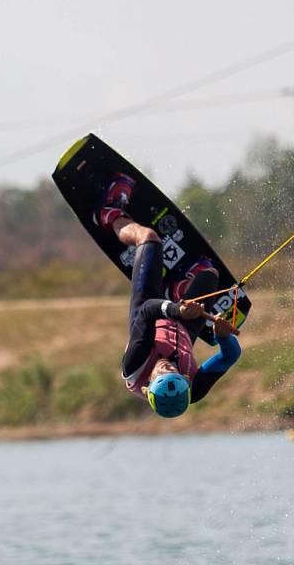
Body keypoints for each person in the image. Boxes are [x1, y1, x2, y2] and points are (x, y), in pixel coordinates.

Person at [94, 173, 242, 418]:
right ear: (184, 378)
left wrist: (176, 310)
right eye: (172, 371)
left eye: (161, 374)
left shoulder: (135, 364)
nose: (166, 367)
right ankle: (177, 290)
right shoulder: (193, 389)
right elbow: (230, 357)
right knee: (210, 275)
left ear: (147, 385)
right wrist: (223, 337)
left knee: (150, 239)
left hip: (150, 309)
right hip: (185, 329)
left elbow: (146, 311)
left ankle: (110, 214)